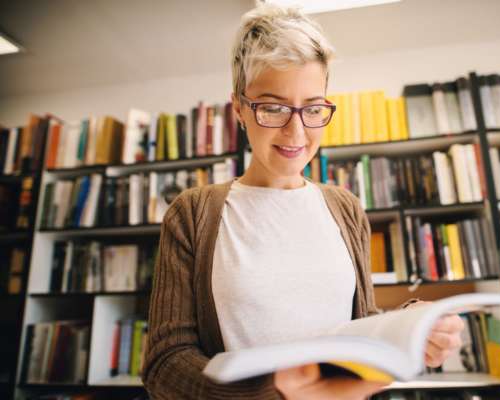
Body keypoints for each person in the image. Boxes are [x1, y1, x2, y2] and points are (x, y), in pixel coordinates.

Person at [141, 4, 464, 399]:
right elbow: (164, 362)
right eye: (273, 107)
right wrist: (280, 396)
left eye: (312, 108)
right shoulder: (193, 213)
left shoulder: (344, 208)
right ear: (240, 108)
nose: (296, 132)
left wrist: (413, 326)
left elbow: (356, 326)